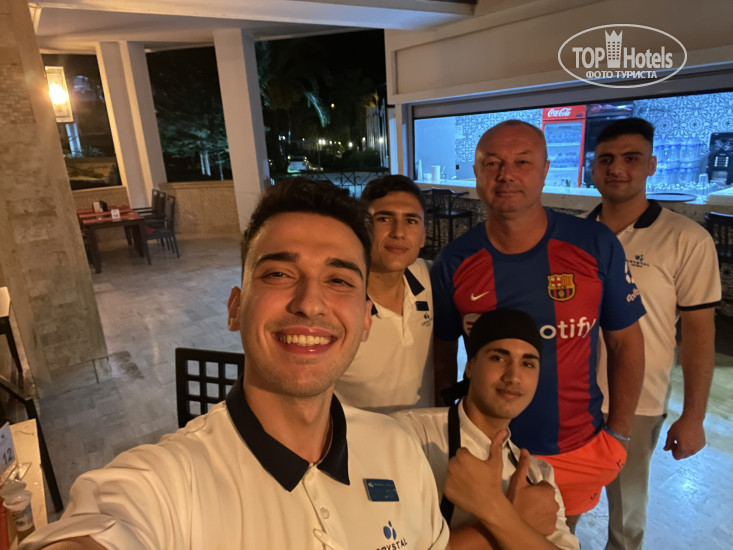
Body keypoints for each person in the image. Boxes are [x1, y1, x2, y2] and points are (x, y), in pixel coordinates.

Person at [21, 178, 449, 550]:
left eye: (338, 280)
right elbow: (109, 521)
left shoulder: (400, 451)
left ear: (366, 319)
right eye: (279, 274)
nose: (310, 303)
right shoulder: (173, 483)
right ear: (235, 308)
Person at [430, 119, 646, 530]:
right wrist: (450, 433)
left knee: (559, 538)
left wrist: (619, 434)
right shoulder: (454, 261)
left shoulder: (594, 243)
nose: (506, 174)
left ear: (545, 170)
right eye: (492, 163)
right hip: (482, 448)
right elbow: (441, 356)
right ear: (476, 173)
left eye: (522, 162)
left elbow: (626, 343)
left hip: (576, 445)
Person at [588, 118, 721, 550]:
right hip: (570, 396)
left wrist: (694, 416)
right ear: (593, 167)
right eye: (606, 159)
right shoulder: (575, 236)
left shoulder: (686, 239)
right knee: (552, 503)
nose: (616, 168)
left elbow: (699, 335)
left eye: (631, 158)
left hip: (638, 400)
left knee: (626, 518)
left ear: (651, 165)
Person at [392, 309, 579, 550]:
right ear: (470, 366)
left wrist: (499, 515)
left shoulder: (538, 475)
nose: (514, 376)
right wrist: (515, 521)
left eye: (528, 363)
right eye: (498, 358)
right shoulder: (409, 436)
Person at [335, 174, 434, 413]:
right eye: (384, 218)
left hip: (422, 433)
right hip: (357, 436)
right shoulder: (337, 303)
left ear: (423, 236)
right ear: (362, 228)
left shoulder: (430, 277)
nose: (398, 232)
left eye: (411, 220)